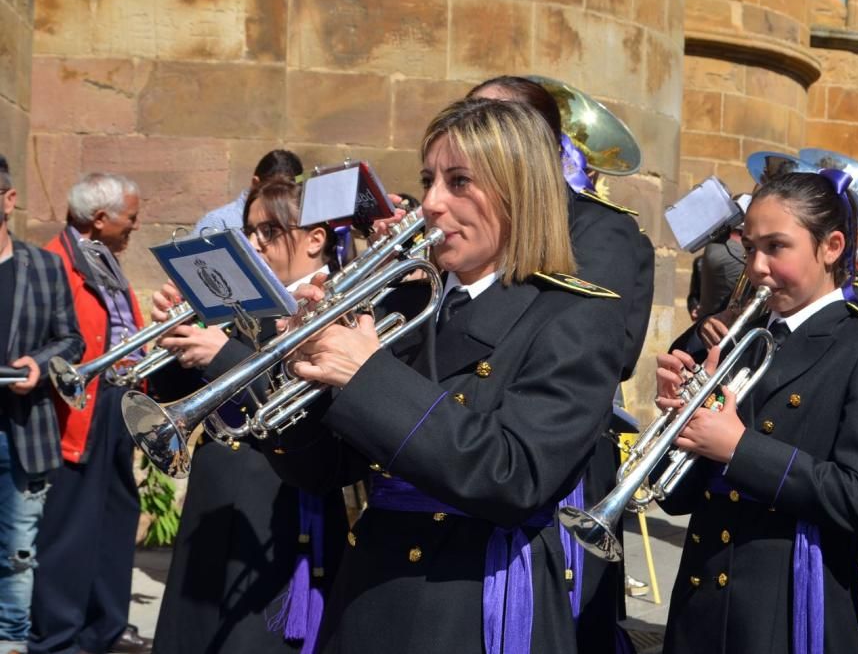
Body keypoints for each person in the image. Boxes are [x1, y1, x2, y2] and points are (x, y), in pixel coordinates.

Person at [263, 97, 623, 653]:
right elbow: (324, 469)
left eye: (459, 182)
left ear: (517, 190)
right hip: (369, 592)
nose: (430, 203)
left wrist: (365, 374)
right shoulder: (404, 302)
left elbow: (515, 476)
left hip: (476, 603)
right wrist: (300, 365)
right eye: (428, 179)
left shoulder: (575, 315)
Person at [655, 170, 858, 653]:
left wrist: (738, 448)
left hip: (789, 608)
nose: (756, 267)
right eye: (749, 247)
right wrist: (679, 422)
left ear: (832, 247)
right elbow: (676, 498)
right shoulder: (740, 339)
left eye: (777, 247)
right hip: (702, 601)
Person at [466, 75, 655, 654]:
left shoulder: (603, 229)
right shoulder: (462, 220)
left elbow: (611, 350)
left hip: (554, 458)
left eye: (487, 123)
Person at [149, 176, 349, 654]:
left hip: (277, 507)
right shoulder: (243, 304)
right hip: (214, 505)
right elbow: (183, 395)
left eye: (268, 231)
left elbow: (310, 414)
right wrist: (175, 344)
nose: (254, 242)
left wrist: (221, 355)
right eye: (251, 230)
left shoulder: (338, 306)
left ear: (314, 238)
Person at [31, 173, 151, 654]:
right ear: (100, 219)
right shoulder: (52, 263)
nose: (135, 227)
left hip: (117, 402)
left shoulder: (106, 260)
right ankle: (59, 636)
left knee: (115, 519)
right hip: (79, 408)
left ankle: (105, 627)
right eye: (131, 217)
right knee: (71, 530)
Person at [0, 155, 83, 654]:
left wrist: (37, 363)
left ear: (8, 200)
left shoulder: (45, 267)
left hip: (21, 429)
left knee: (16, 549)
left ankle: (9, 640)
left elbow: (71, 341)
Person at [194, 150, 304, 233]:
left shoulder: (297, 225)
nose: (280, 200)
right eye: (273, 192)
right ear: (255, 183)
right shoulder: (217, 223)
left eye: (289, 193)